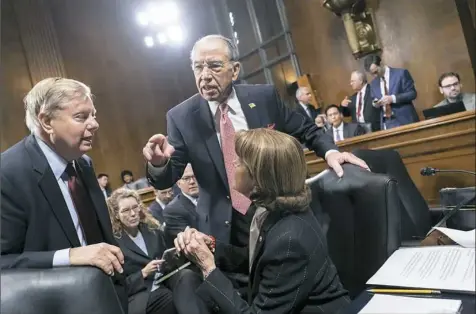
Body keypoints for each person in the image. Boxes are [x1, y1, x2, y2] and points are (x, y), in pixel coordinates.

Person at [142, 34, 369, 248]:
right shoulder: (182, 117)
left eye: (214, 65)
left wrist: (331, 153)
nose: (205, 75)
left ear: (235, 70)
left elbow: (307, 129)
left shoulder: (263, 97)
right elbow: (166, 181)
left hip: (278, 209)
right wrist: (159, 165)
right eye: (198, 67)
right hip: (226, 227)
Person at [175, 128, 351, 314]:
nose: (234, 163)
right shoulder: (272, 208)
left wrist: (208, 267)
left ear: (260, 176)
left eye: (241, 161)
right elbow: (257, 261)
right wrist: (211, 247)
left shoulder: (290, 240)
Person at [1, 77, 127, 312]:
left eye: (94, 114)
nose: (95, 124)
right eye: (82, 117)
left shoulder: (84, 163)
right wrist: (68, 256)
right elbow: (3, 261)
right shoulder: (7, 174)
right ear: (47, 121)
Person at [107, 189, 207, 314]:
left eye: (135, 207)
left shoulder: (153, 230)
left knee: (188, 276)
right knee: (169, 297)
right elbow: (118, 287)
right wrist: (143, 273)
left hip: (164, 279)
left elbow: (168, 259)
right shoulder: (114, 243)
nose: (132, 213)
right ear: (116, 215)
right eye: (126, 210)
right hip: (141, 293)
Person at [364, 54, 419, 129]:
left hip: (404, 121)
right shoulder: (373, 84)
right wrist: (375, 103)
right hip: (386, 124)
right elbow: (374, 99)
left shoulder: (401, 74)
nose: (375, 76)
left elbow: (412, 94)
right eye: (372, 74)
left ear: (381, 64)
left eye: (376, 72)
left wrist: (392, 98)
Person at [163, 164, 200, 246]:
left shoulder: (211, 199)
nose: (192, 182)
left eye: (194, 176)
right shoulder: (172, 210)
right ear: (178, 183)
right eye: (186, 178)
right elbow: (190, 241)